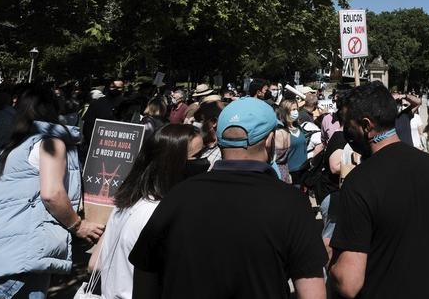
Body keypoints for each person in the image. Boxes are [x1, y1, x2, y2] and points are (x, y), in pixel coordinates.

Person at [129, 97, 327, 298]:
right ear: (269, 140)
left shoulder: (177, 196)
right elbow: (313, 293)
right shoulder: (292, 203)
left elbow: (144, 279)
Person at [0, 86, 104, 297]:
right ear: (53, 109)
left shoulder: (10, 145)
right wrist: (79, 226)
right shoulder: (50, 142)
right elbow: (52, 194)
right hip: (21, 254)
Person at [329, 81, 429, 298]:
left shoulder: (358, 182)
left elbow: (349, 283)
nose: (345, 131)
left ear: (367, 126)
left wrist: (327, 257)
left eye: (348, 125)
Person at [91, 124, 196, 299]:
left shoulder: (126, 201)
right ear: (174, 164)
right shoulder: (162, 214)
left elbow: (94, 264)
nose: (205, 162)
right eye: (196, 156)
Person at [274, 98, 308, 185]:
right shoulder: (281, 131)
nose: (296, 112)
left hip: (304, 171)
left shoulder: (299, 127)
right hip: (291, 173)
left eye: (296, 109)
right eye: (293, 109)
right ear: (286, 111)